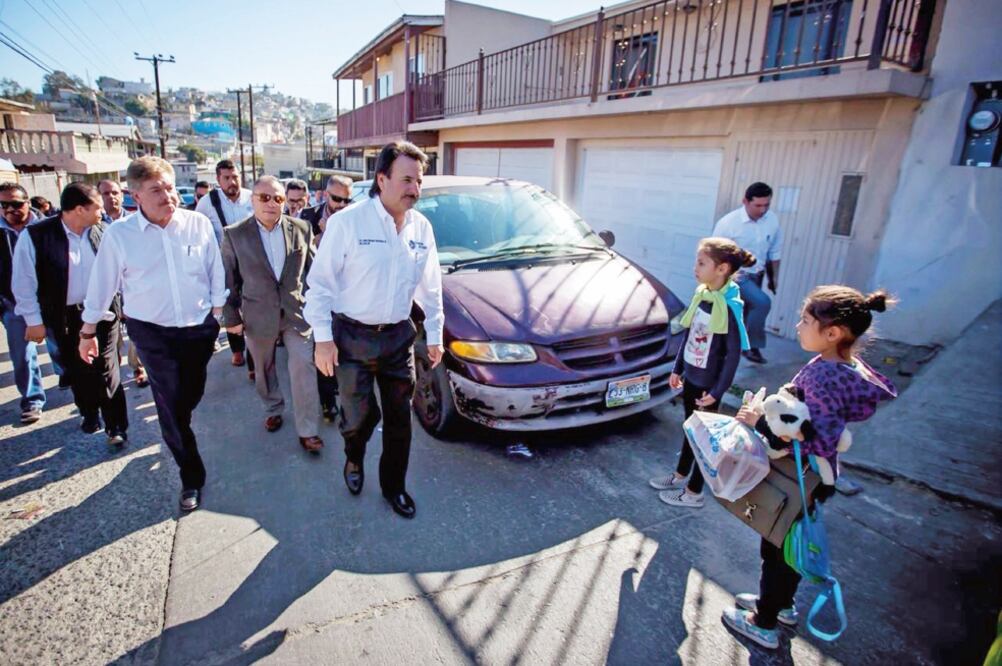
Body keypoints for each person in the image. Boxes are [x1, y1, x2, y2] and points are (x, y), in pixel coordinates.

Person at [722, 285, 897, 649]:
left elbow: (812, 437)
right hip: (818, 476)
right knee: (790, 543)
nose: (797, 326)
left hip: (801, 477)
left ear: (832, 333)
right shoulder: (844, 367)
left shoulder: (823, 377)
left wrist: (758, 422)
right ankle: (782, 605)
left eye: (805, 321)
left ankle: (764, 623)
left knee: (777, 548)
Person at [305, 141, 444, 519]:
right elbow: (320, 285)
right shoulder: (348, 223)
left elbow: (430, 287)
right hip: (352, 337)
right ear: (381, 179)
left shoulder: (421, 227)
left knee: (401, 419)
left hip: (398, 338)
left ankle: (393, 486)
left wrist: (435, 335)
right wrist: (322, 339)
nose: (414, 188)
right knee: (358, 418)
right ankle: (353, 457)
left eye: (418, 181)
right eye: (406, 180)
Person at [79, 157, 225, 512]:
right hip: (152, 334)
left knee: (188, 396)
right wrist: (88, 330)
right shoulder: (120, 235)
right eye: (156, 190)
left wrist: (218, 313)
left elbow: (214, 268)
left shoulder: (198, 224)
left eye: (170, 187)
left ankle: (178, 426)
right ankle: (191, 476)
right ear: (136, 195)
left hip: (198, 328)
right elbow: (102, 286)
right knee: (170, 402)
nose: (167, 196)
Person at [13, 183, 128, 445]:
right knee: (77, 369)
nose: (103, 212)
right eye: (97, 207)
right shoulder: (35, 237)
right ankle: (88, 412)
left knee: (106, 367)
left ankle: (116, 427)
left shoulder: (104, 232)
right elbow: (23, 283)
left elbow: (121, 273)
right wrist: (34, 321)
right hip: (64, 317)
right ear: (79, 210)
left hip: (103, 312)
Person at [221, 175, 324, 453]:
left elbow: (315, 272)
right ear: (252, 200)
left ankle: (308, 430)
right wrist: (231, 319)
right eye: (264, 197)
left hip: (295, 312)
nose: (271, 203)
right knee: (264, 368)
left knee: (303, 364)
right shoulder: (235, 234)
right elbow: (229, 280)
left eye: (277, 198)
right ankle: (273, 406)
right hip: (258, 314)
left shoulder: (301, 228)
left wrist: (322, 306)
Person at [650, 238, 754, 508]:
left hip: (708, 387)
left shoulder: (728, 306)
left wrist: (717, 392)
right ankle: (679, 475)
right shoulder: (703, 295)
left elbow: (732, 356)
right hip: (692, 378)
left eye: (701, 262)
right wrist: (677, 369)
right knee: (689, 431)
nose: (695, 267)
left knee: (705, 441)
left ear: (722, 268)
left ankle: (694, 492)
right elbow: (689, 334)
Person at [713, 182, 782, 364]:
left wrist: (773, 278)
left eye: (766, 205)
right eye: (758, 205)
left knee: (745, 313)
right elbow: (714, 254)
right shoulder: (728, 224)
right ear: (745, 201)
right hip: (736, 276)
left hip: (757, 274)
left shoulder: (772, 220)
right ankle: (751, 347)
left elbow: (774, 252)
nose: (762, 210)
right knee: (762, 303)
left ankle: (734, 348)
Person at [195, 159, 254, 370]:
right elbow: (198, 235)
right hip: (223, 265)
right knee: (230, 307)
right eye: (227, 178)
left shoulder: (251, 198)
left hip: (250, 262)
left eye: (235, 177)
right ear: (218, 180)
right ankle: (237, 350)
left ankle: (255, 357)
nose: (232, 182)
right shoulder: (207, 203)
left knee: (252, 306)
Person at [0, 182, 46, 423]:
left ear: (27, 203)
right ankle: (32, 400)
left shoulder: (46, 228)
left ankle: (66, 375)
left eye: (16, 204)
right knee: (23, 354)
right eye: (3, 205)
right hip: (13, 305)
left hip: (50, 302)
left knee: (62, 349)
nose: (10, 210)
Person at [98, 179, 148, 388]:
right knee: (113, 338)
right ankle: (113, 366)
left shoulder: (136, 223)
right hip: (108, 292)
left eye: (115, 192)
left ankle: (139, 367)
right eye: (106, 193)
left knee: (137, 331)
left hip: (131, 290)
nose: (112, 197)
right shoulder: (95, 224)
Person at [301, 175, 353, 240]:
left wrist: (329, 232)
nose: (342, 204)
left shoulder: (356, 220)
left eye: (347, 200)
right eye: (337, 199)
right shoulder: (307, 216)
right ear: (326, 195)